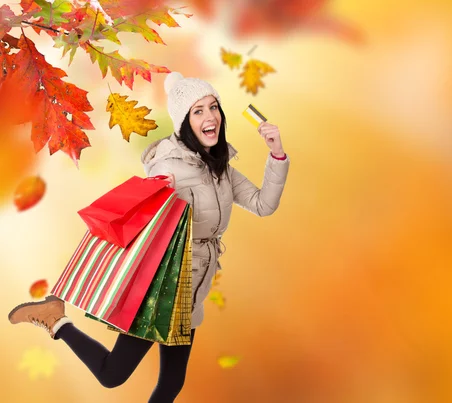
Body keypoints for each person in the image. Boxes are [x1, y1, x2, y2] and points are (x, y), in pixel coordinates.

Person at [7, 72, 290, 402]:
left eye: (213, 107)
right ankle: (56, 320)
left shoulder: (220, 165)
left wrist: (277, 155)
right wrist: (157, 187)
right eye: (198, 111)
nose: (210, 116)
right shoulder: (169, 165)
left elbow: (263, 204)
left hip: (193, 287)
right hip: (162, 289)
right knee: (113, 375)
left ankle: (56, 318)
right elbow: (146, 212)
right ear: (184, 121)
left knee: (171, 384)